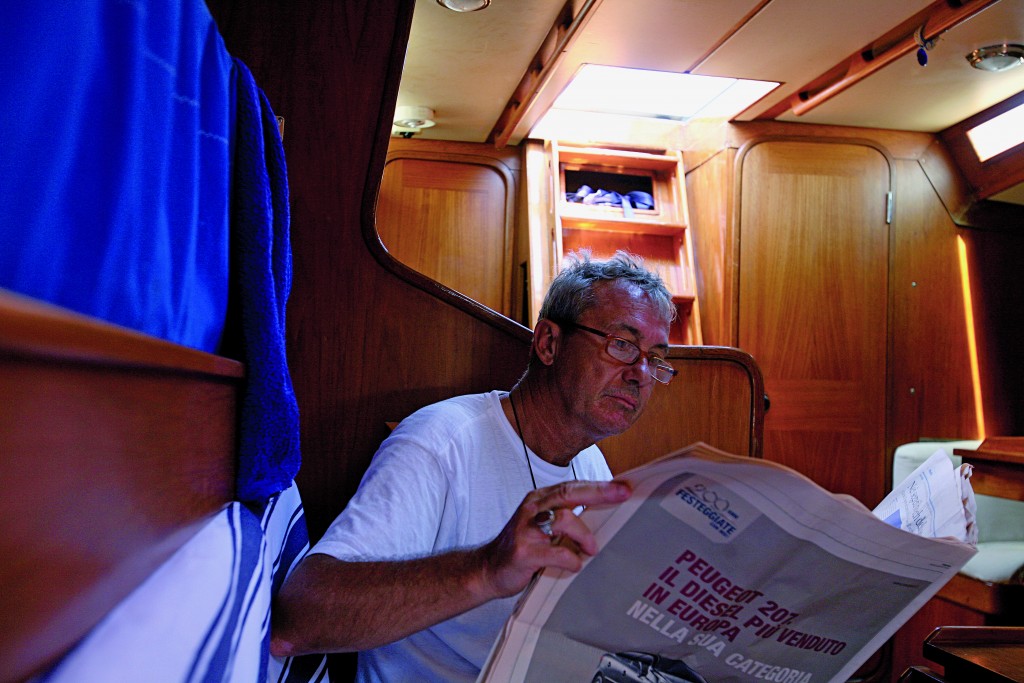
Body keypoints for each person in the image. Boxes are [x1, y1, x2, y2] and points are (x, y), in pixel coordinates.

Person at [271, 250, 679, 681]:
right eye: (622, 345)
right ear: (548, 343)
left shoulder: (592, 465)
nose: (639, 373)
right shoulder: (440, 442)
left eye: (655, 359)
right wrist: (487, 569)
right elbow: (298, 620)